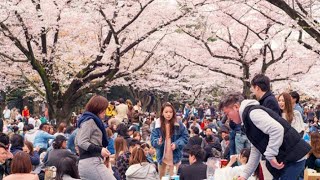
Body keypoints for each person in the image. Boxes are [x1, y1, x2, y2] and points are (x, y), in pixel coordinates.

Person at [219, 92, 311, 180]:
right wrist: (244, 175)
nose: (228, 118)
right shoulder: (247, 120)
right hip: (287, 157)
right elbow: (256, 149)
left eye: (227, 113)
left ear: (236, 107)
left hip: (294, 156)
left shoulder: (253, 113)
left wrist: (270, 155)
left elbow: (277, 129)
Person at [75, 95, 115, 180]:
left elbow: (77, 141)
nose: (105, 112)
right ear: (97, 108)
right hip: (91, 162)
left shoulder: (87, 120)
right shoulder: (90, 121)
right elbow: (82, 142)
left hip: (89, 161)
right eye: (103, 110)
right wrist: (99, 150)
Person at [151, 102, 189, 179]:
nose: (168, 114)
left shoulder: (178, 124)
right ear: (162, 113)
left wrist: (177, 144)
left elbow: (185, 137)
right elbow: (153, 140)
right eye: (166, 112)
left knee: (173, 178)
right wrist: (158, 142)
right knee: (162, 178)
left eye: (170, 112)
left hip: (175, 157)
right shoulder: (157, 124)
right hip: (162, 157)